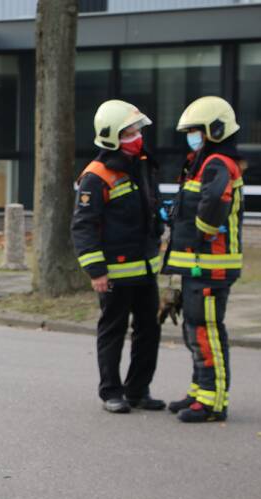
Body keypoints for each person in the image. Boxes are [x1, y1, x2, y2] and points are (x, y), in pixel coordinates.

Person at [71, 100, 165, 414]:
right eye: (130, 131)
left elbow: (152, 207)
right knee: (113, 330)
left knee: (149, 330)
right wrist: (96, 270)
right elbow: (83, 226)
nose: (138, 135)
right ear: (112, 136)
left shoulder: (142, 163)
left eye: (138, 129)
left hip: (145, 268)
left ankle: (138, 390)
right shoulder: (96, 177)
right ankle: (111, 391)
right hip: (113, 272)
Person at [161, 96, 244, 423]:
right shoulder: (202, 161)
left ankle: (213, 402)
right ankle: (200, 391)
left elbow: (214, 204)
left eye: (196, 130)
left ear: (215, 130)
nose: (192, 136)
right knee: (194, 330)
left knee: (207, 330)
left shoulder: (217, 163)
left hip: (212, 264)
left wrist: (198, 233)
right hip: (198, 263)